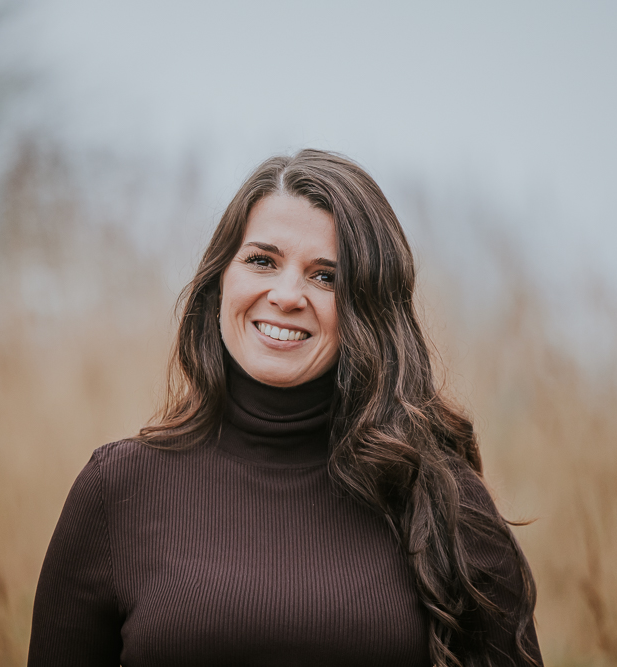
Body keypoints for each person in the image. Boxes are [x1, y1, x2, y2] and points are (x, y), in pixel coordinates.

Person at [28, 150, 542, 666]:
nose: (287, 294)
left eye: (325, 277)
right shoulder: (118, 489)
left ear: (369, 307)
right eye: (262, 261)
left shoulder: (441, 501)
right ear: (220, 281)